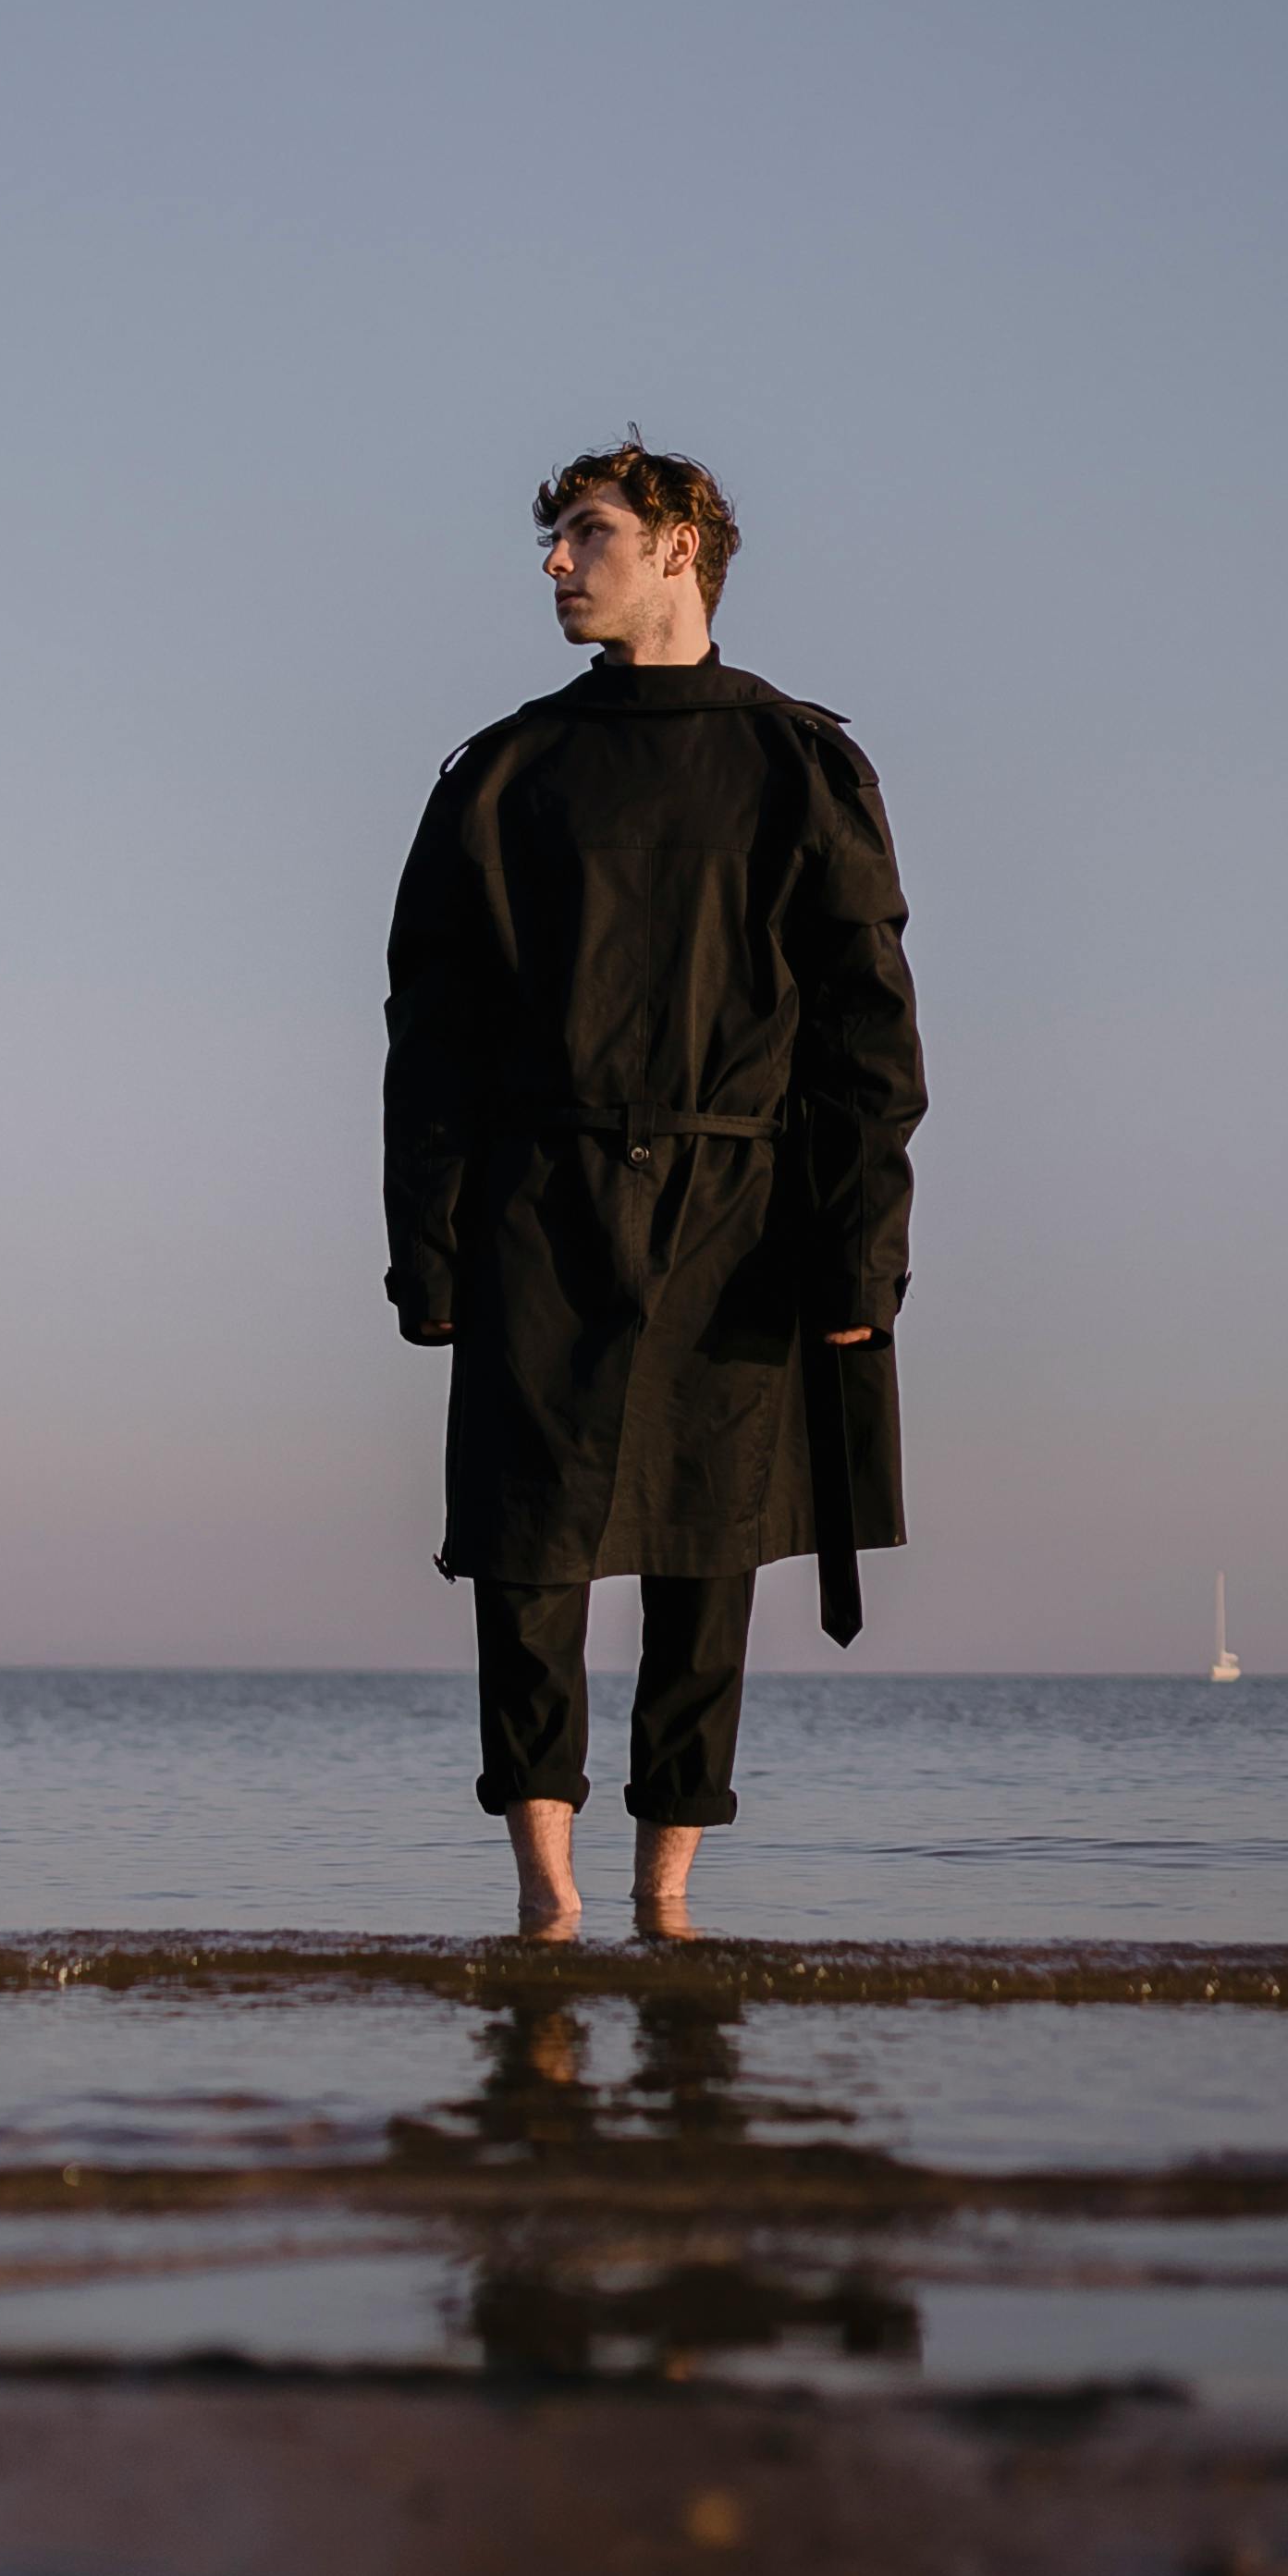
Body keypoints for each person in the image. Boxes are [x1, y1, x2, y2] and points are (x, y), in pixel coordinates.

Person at [383, 438, 926, 1941]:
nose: (557, 563)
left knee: (711, 1551)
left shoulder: (800, 761)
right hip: (537, 1201)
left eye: (586, 533)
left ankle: (669, 1911)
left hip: (742, 1208)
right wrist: (425, 1255)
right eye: (555, 539)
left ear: (680, 543)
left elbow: (870, 1037)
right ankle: (548, 1910)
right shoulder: (505, 772)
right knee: (528, 1553)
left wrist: (860, 1269)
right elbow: (429, 1036)